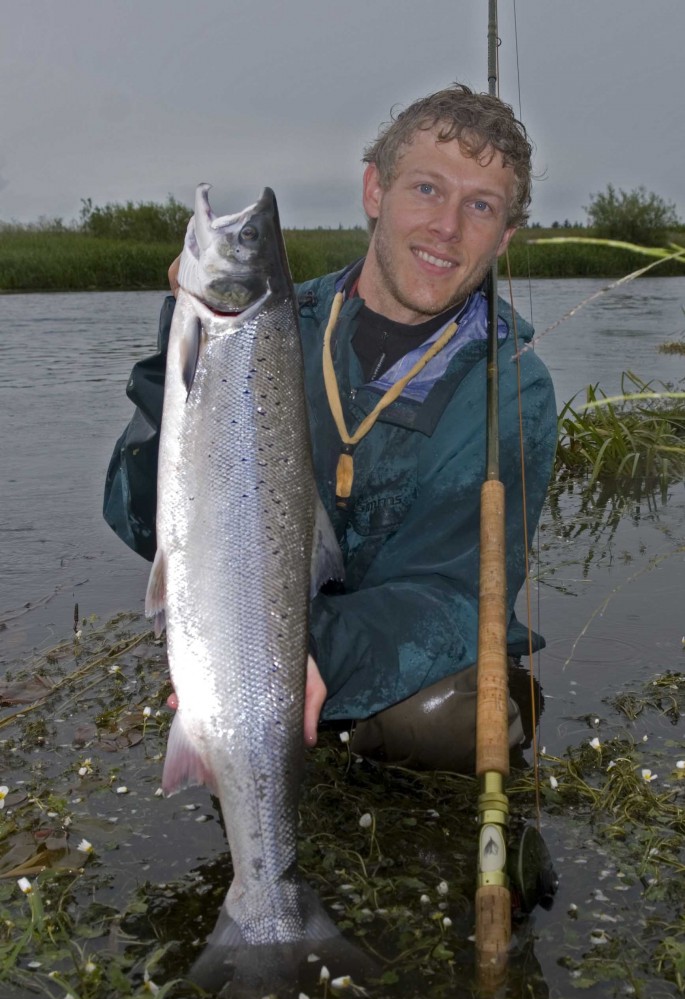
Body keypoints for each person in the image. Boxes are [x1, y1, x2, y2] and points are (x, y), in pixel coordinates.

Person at [103, 83, 557, 773]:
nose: (448, 227)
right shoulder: (269, 326)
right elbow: (135, 519)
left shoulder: (512, 388)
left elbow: (450, 597)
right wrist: (185, 351)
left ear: (505, 237)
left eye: (481, 206)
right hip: (257, 628)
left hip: (351, 648)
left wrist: (302, 656)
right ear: (374, 190)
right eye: (427, 189)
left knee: (448, 720)